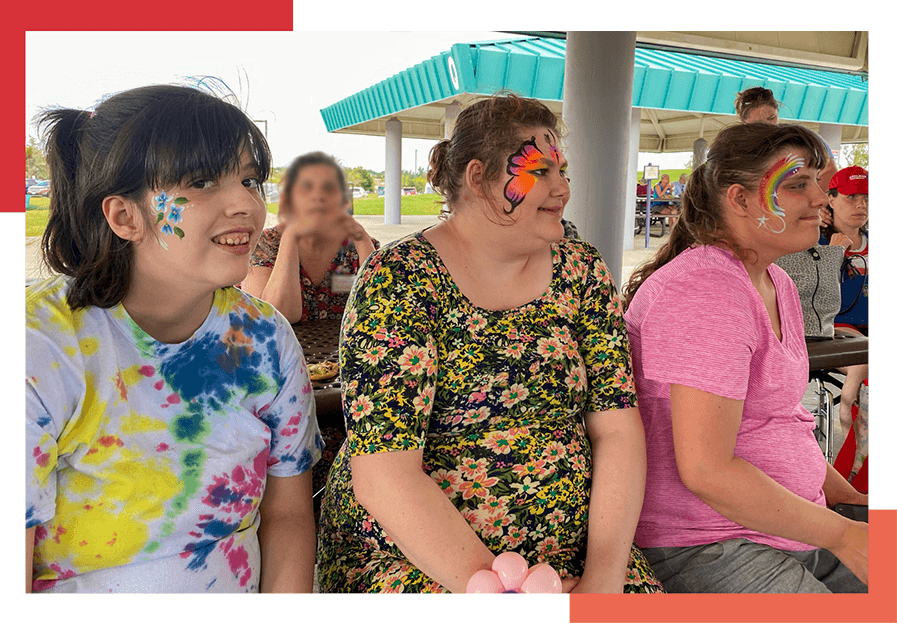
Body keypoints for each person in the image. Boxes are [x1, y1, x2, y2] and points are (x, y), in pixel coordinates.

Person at [316, 93, 664, 594]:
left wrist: (605, 577)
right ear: (477, 178)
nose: (562, 189)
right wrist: (503, 588)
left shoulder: (581, 269)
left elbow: (618, 430)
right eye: (538, 171)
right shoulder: (401, 279)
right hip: (420, 558)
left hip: (576, 556)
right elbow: (386, 473)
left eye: (561, 170)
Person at [25, 84, 324, 594]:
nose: (246, 205)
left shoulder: (267, 340)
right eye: (203, 180)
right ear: (125, 216)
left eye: (251, 180)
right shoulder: (46, 345)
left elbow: (289, 517)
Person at [622, 122, 868, 593]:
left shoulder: (777, 283)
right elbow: (707, 471)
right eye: (798, 185)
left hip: (790, 529)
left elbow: (778, 422)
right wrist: (846, 535)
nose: (821, 199)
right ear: (737, 199)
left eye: (819, 182)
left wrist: (850, 499)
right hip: (705, 543)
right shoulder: (705, 291)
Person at [242, 151, 379, 324]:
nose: (318, 197)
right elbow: (273, 317)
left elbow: (380, 308)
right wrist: (291, 236)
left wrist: (361, 240)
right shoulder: (264, 244)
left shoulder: (361, 247)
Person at [821, 165, 869, 492]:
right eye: (852, 198)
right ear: (831, 200)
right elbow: (815, 303)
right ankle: (853, 493)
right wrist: (833, 255)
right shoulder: (814, 242)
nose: (861, 205)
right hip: (834, 336)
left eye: (866, 198)